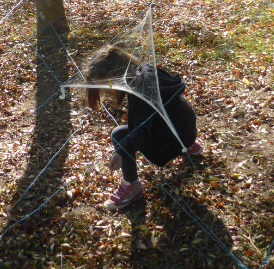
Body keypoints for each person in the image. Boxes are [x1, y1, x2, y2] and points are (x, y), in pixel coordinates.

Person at [83, 45, 202, 211]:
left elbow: (141, 133)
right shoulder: (143, 71)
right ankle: (187, 145)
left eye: (108, 84)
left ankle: (131, 186)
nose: (105, 91)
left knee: (119, 135)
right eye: (101, 87)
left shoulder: (142, 91)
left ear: (118, 73)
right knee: (154, 120)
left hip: (176, 139)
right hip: (187, 129)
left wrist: (121, 152)